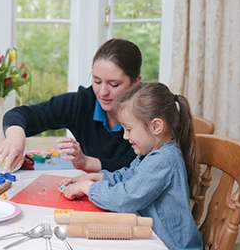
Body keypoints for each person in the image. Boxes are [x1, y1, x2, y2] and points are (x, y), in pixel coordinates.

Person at [61, 82, 202, 249]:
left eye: (128, 129)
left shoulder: (164, 160)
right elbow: (130, 176)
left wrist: (89, 188)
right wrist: (98, 177)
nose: (125, 137)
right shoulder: (151, 154)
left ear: (156, 126)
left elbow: (126, 198)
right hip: (153, 238)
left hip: (172, 246)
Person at [0, 38, 142, 173]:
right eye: (97, 81)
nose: (102, 92)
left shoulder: (149, 113)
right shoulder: (81, 103)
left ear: (136, 82)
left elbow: (135, 167)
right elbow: (22, 115)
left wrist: (86, 162)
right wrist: (16, 137)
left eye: (114, 84)